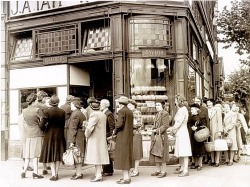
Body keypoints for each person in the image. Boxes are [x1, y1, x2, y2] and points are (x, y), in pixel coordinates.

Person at [39, 95, 66, 181]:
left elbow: (41, 125)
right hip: (59, 134)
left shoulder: (46, 111)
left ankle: (53, 174)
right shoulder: (62, 112)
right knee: (58, 153)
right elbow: (63, 124)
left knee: (50, 153)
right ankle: (57, 173)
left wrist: (43, 129)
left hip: (49, 134)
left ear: (50, 102)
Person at [85, 100, 109, 182]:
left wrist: (86, 134)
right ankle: (98, 173)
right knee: (99, 156)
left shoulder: (94, 114)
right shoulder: (103, 114)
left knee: (96, 157)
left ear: (91, 106)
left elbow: (89, 128)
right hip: (101, 137)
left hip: (95, 138)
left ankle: (98, 175)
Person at [21, 93, 44, 179]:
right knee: (35, 154)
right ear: (34, 101)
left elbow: (25, 121)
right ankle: (36, 172)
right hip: (37, 133)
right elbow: (42, 121)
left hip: (28, 133)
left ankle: (24, 172)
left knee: (28, 153)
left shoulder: (24, 111)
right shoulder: (37, 110)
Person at [168, 95, 191, 177]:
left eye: (176, 100)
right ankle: (182, 168)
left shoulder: (182, 110)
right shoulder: (182, 109)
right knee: (181, 150)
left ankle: (185, 170)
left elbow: (179, 122)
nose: (175, 102)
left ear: (179, 101)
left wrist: (172, 129)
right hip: (180, 131)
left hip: (182, 132)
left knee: (184, 151)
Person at [113, 96, 133, 184]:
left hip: (122, 136)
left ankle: (126, 178)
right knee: (127, 156)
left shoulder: (121, 111)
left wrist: (115, 130)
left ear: (120, 104)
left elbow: (119, 124)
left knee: (123, 157)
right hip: (128, 136)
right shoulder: (129, 111)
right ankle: (127, 176)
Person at [149, 100, 170, 178]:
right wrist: (153, 129)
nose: (157, 107)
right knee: (155, 153)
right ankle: (158, 170)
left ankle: (163, 171)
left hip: (162, 136)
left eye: (158, 105)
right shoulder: (157, 114)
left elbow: (165, 125)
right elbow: (156, 125)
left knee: (162, 154)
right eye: (156, 105)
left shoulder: (165, 114)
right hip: (156, 136)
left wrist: (156, 130)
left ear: (163, 106)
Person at [67, 98, 86, 180]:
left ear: (74, 105)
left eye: (71, 104)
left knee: (77, 154)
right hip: (81, 135)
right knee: (78, 154)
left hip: (77, 136)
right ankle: (78, 172)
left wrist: (71, 141)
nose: (70, 106)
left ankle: (79, 173)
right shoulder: (80, 113)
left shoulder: (75, 114)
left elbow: (73, 128)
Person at [34, 90, 50, 175]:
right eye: (45, 97)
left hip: (34, 130)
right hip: (43, 130)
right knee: (44, 148)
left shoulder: (33, 105)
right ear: (42, 97)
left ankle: (35, 168)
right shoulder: (44, 107)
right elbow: (45, 119)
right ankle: (45, 167)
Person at [188, 103, 206, 171]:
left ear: (196, 110)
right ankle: (195, 164)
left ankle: (200, 164)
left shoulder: (201, 117)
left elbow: (204, 126)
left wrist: (197, 128)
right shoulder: (191, 117)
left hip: (200, 136)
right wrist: (191, 127)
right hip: (193, 135)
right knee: (194, 149)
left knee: (200, 150)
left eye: (192, 109)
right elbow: (189, 124)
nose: (191, 110)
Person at [127, 99, 143, 177]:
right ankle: (134, 169)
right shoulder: (129, 113)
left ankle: (136, 170)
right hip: (131, 135)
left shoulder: (136, 112)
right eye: (128, 105)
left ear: (134, 105)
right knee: (132, 153)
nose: (129, 106)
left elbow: (139, 124)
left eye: (130, 105)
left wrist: (128, 126)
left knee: (136, 153)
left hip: (136, 134)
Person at [100, 99, 115, 177]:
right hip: (104, 135)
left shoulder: (108, 113)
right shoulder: (104, 113)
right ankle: (105, 170)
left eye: (101, 104)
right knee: (105, 153)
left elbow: (112, 126)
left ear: (105, 105)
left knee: (107, 153)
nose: (100, 105)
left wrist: (110, 137)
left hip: (107, 136)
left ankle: (108, 170)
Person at [206, 98, 223, 167]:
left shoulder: (217, 109)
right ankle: (212, 160)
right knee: (211, 145)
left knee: (217, 144)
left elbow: (219, 120)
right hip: (209, 129)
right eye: (207, 102)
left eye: (210, 102)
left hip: (215, 129)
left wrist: (220, 130)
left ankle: (217, 161)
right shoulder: (206, 110)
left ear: (213, 103)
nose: (208, 104)